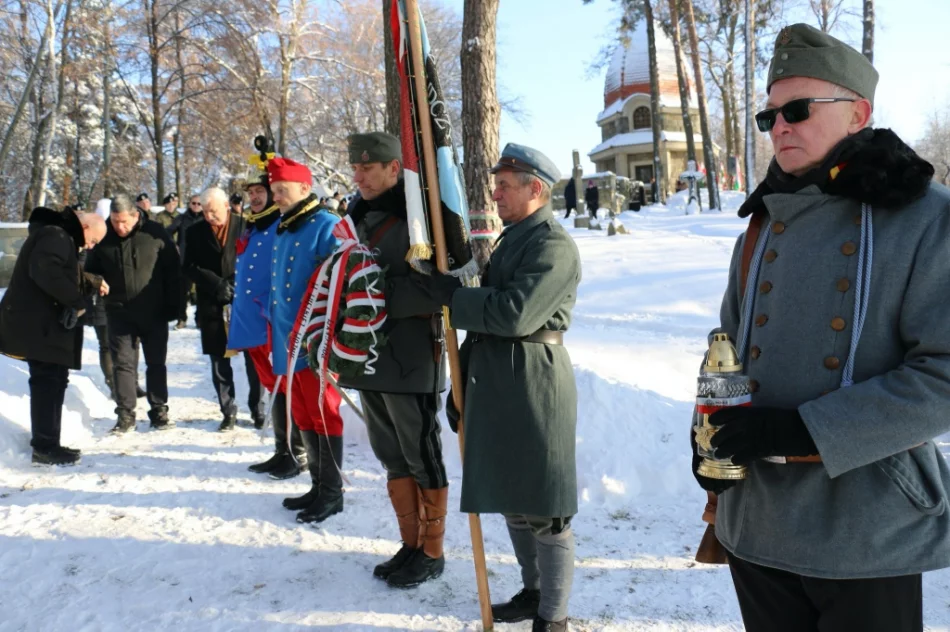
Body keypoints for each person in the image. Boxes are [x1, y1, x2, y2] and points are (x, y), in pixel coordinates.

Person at [691, 24, 950, 632]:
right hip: (757, 520)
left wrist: (803, 429)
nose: (780, 126)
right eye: (769, 116)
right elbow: (725, 352)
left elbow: (944, 374)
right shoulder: (761, 223)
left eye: (798, 109)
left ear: (858, 113)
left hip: (865, 524)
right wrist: (708, 437)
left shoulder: (924, 218)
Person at [425, 144, 581, 631]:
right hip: (495, 379)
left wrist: (456, 298)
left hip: (535, 382)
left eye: (504, 185)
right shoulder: (514, 239)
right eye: (496, 185)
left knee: (545, 506)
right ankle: (534, 593)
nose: (495, 194)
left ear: (535, 189)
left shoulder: (553, 245)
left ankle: (552, 618)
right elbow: (484, 327)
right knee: (513, 497)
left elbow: (515, 314)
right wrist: (459, 391)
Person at [340, 132, 450, 588]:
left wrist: (373, 295)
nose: (360, 176)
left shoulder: (421, 222)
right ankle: (410, 542)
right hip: (369, 361)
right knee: (392, 457)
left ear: (392, 170)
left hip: (410, 360)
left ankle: (433, 550)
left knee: (421, 455)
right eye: (356, 168)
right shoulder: (354, 220)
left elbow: (439, 289)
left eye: (370, 167)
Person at [267, 156, 345, 524]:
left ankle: (333, 492)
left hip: (315, 339)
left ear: (304, 188)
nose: (277, 196)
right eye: (274, 190)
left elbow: (342, 284)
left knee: (323, 413)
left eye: (283, 190)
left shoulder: (326, 225)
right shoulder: (284, 227)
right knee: (301, 413)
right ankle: (317, 485)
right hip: (287, 335)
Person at [0, 208, 108, 465]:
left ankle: (49, 443)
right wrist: (77, 301)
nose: (90, 247)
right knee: (48, 380)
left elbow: (63, 271)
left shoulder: (59, 237)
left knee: (54, 379)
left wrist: (91, 281)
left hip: (46, 325)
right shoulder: (56, 235)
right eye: (92, 240)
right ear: (84, 228)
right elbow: (46, 271)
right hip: (40, 326)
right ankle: (44, 446)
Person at [227, 152, 306, 478]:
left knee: (289, 388)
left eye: (261, 190)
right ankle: (281, 449)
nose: (256, 197)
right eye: (252, 193)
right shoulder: (253, 227)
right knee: (272, 386)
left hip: (276, 323)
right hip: (254, 324)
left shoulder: (283, 226)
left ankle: (297, 454)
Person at [86, 194, 181, 433]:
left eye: (124, 222)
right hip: (118, 312)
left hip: (154, 311)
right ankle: (125, 414)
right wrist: (96, 281)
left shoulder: (155, 233)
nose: (119, 227)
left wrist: (174, 306)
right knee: (123, 365)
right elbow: (88, 270)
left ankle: (159, 410)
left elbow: (173, 271)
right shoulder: (103, 236)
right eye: (115, 221)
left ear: (136, 215)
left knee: (156, 363)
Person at [183, 187, 249, 432]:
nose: (209, 215)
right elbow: (188, 266)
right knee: (218, 359)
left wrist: (236, 281)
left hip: (244, 300)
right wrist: (215, 283)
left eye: (213, 210)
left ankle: (258, 408)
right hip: (211, 301)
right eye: (205, 210)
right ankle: (228, 410)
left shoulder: (245, 225)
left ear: (226, 205)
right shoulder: (194, 231)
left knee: (253, 357)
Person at [168, 194, 204, 329]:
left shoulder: (205, 218)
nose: (196, 206)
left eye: (199, 204)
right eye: (193, 203)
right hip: (184, 260)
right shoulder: (182, 219)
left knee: (201, 292)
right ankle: (181, 318)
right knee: (182, 292)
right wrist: (174, 247)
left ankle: (200, 319)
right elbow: (167, 232)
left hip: (201, 261)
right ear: (189, 204)